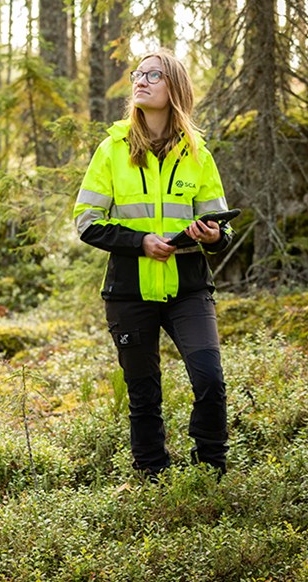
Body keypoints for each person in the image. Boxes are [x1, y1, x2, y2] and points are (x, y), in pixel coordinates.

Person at [73, 49, 233, 479]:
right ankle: (152, 474)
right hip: (129, 291)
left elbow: (222, 228)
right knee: (144, 393)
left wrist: (214, 235)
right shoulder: (111, 150)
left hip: (188, 288)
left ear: (174, 88)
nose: (140, 81)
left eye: (153, 75)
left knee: (210, 381)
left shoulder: (198, 154)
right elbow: (86, 223)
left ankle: (210, 471)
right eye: (137, 74)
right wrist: (140, 242)